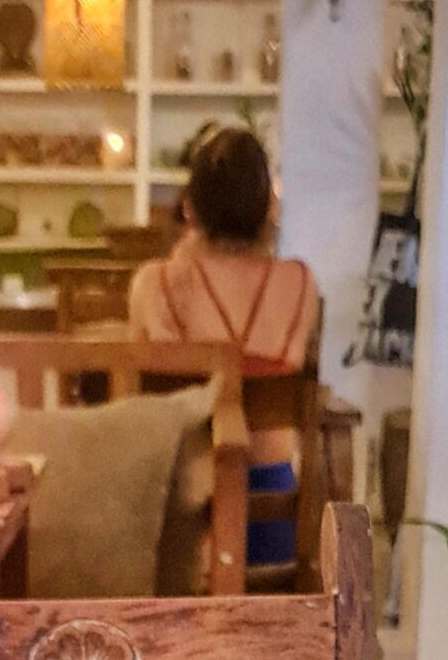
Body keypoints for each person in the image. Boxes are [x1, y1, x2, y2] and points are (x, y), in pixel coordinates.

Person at [128, 127, 319, 564]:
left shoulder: (156, 284)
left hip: (182, 521)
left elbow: (142, 404)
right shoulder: (299, 283)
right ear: (268, 207)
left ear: (189, 209)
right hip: (273, 512)